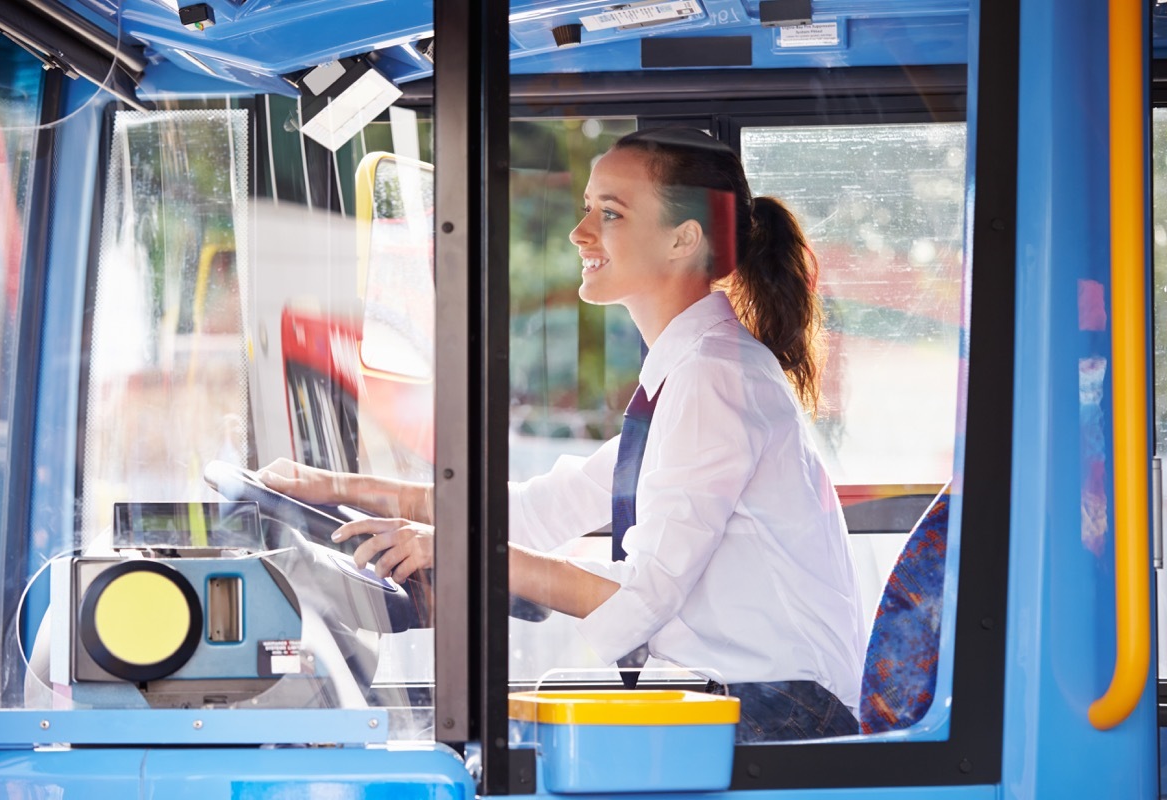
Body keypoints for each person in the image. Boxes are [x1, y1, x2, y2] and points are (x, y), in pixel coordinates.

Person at [258, 127, 867, 742]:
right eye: (586, 209)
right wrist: (334, 486)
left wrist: (456, 552)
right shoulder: (689, 370)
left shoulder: (715, 378)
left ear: (684, 238)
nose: (580, 233)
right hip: (744, 697)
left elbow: (647, 590)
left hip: (783, 715)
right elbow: (533, 511)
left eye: (610, 213)